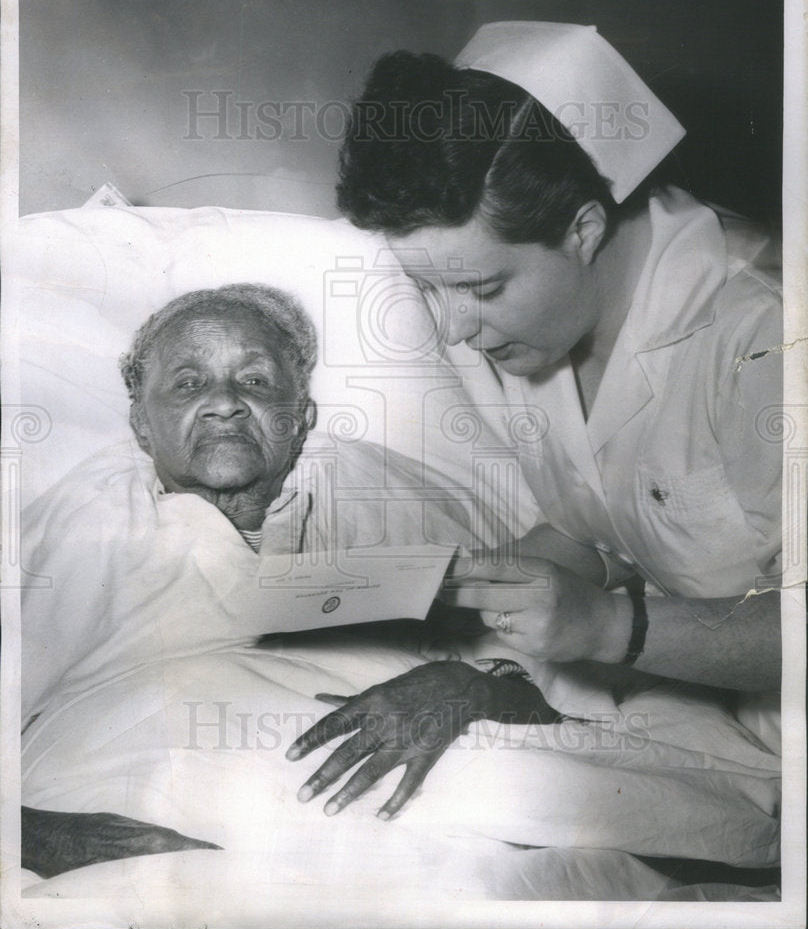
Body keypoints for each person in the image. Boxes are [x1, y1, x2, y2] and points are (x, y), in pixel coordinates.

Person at [289, 22, 782, 819]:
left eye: (481, 290)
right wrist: (446, 593)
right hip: (706, 719)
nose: (454, 330)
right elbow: (596, 528)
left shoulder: (764, 337)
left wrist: (610, 628)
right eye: (428, 290)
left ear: (584, 229)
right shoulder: (536, 333)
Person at [21, 281, 558, 878]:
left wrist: (470, 687)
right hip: (146, 829)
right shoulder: (80, 526)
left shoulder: (375, 497)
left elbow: (542, 689)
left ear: (301, 418)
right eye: (188, 383)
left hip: (404, 814)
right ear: (141, 425)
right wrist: (44, 837)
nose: (224, 403)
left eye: (254, 381)